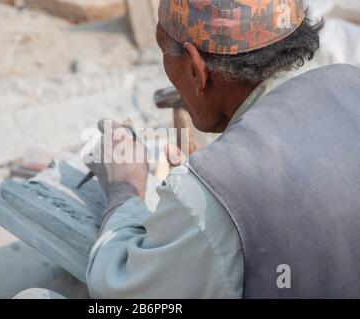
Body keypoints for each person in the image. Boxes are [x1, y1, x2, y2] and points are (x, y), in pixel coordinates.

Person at [18, 0, 360, 298]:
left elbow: (123, 291)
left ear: (198, 69)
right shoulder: (351, 80)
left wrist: (124, 187)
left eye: (164, 51)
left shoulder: (217, 189)